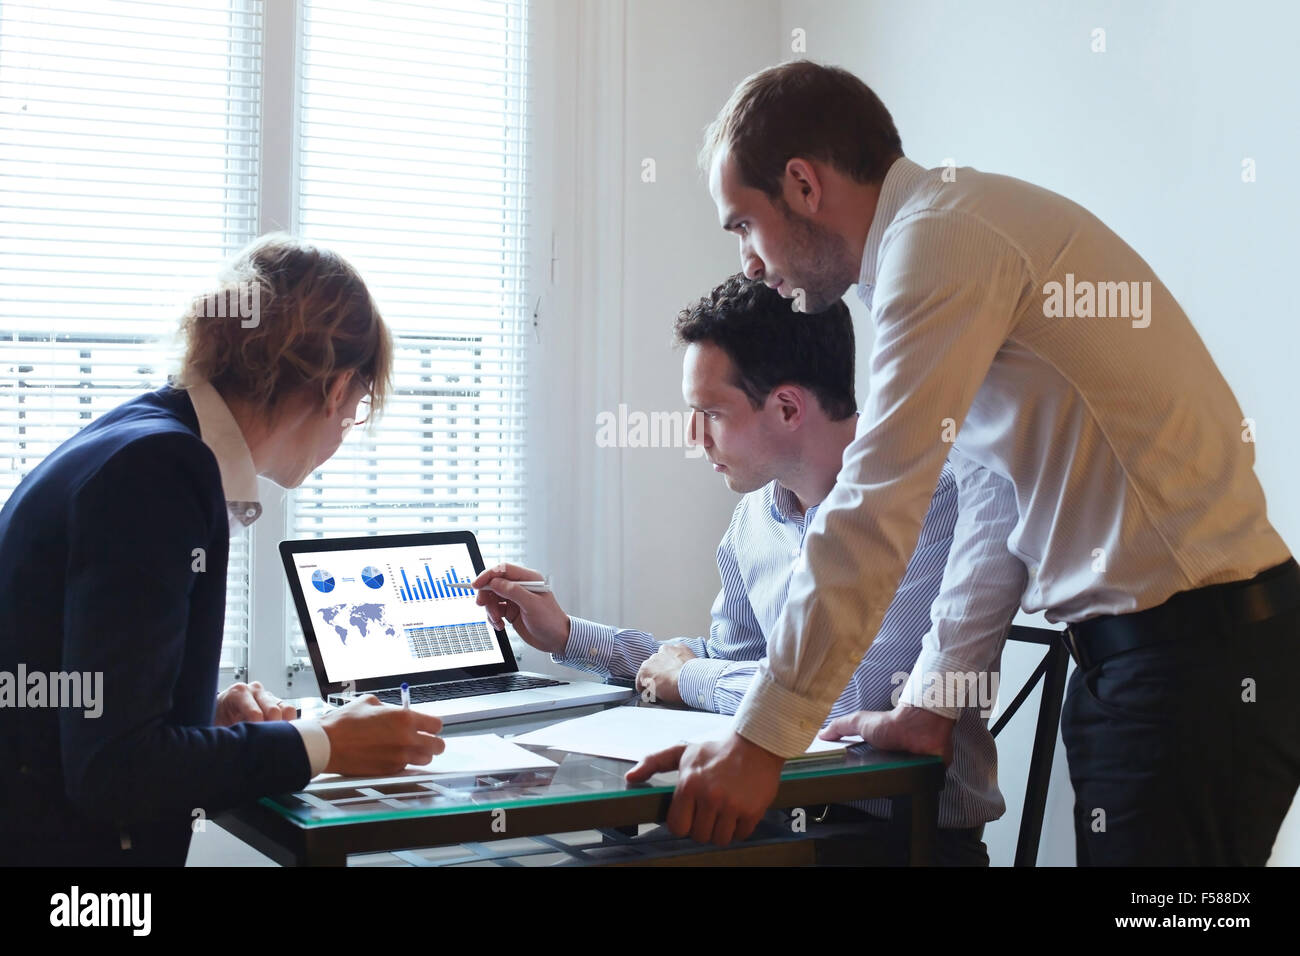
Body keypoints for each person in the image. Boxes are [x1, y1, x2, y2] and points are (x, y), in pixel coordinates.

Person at [632, 60, 1300, 865]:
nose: (746, 259)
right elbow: (993, 502)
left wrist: (761, 742)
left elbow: (876, 508)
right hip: (1164, 662)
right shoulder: (939, 240)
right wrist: (929, 705)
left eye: (742, 223)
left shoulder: (940, 243)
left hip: (1193, 664)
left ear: (803, 186)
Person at [475, 274, 1017, 864]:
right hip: (772, 816)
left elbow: (846, 700)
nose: (693, 436)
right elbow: (732, 664)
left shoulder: (928, 498)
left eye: (710, 413)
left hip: (898, 839)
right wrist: (571, 636)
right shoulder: (753, 519)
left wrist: (688, 679)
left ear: (786, 407)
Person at [0, 235, 445, 866]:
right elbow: (113, 771)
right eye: (360, 406)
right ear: (336, 387)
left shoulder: (139, 436)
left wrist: (202, 716)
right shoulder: (162, 470)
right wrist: (318, 744)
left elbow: (87, 704)